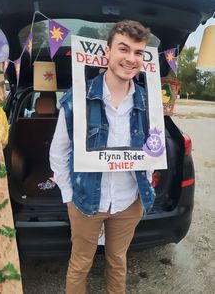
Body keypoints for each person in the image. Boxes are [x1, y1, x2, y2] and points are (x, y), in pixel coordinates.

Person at [50, 20, 156, 294]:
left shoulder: (149, 102)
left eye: (138, 53)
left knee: (118, 261)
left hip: (129, 201)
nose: (130, 59)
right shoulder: (78, 98)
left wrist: (147, 183)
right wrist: (69, 196)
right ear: (108, 52)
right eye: (124, 49)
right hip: (86, 201)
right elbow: (59, 150)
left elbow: (153, 149)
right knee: (80, 264)